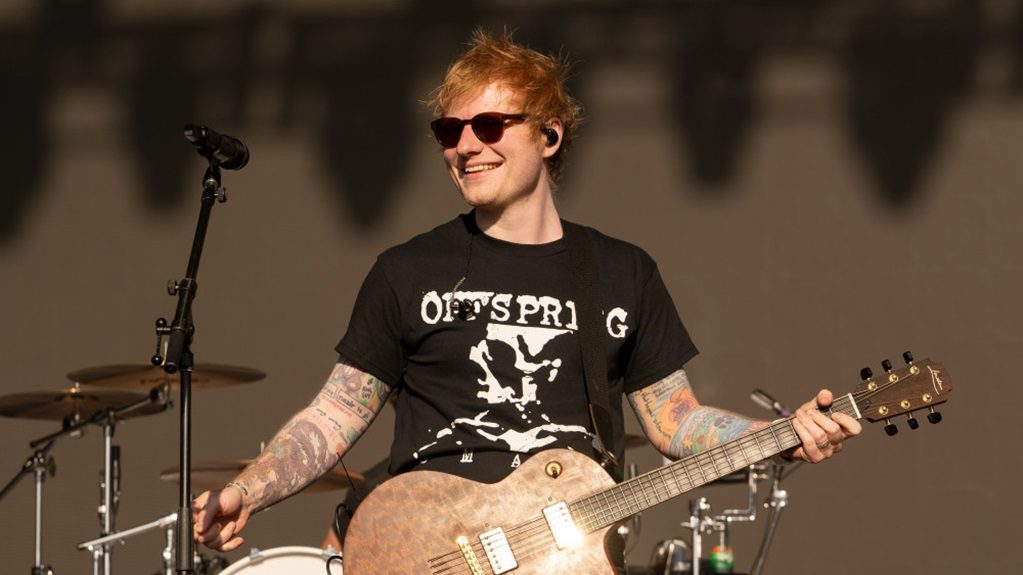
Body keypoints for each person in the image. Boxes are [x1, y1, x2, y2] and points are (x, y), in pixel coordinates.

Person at [192, 28, 861, 568]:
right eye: (448, 131)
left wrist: (781, 437)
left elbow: (676, 423)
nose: (465, 146)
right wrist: (250, 488)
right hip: (431, 550)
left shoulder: (620, 272)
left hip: (567, 555)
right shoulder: (408, 271)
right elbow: (335, 414)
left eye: (489, 125)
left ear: (549, 135)